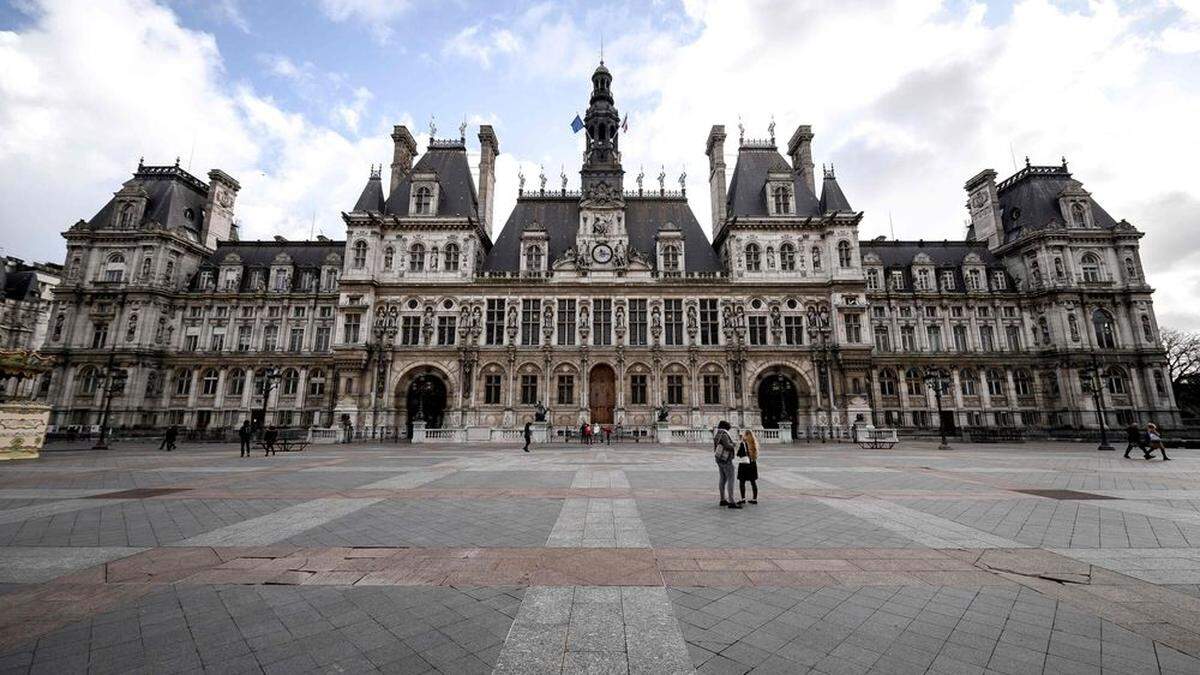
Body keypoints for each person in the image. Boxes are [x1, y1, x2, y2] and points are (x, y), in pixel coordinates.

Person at [713, 420, 740, 508]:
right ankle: (731, 501)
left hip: (719, 459)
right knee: (730, 480)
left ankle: (722, 499)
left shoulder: (717, 434)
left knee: (722, 479)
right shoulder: (724, 435)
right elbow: (727, 446)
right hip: (726, 459)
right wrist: (735, 444)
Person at [737, 429, 760, 505]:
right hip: (752, 464)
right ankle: (754, 499)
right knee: (753, 482)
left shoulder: (743, 443)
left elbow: (739, 454)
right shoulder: (754, 443)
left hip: (744, 464)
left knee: (742, 481)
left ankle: (743, 498)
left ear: (746, 435)